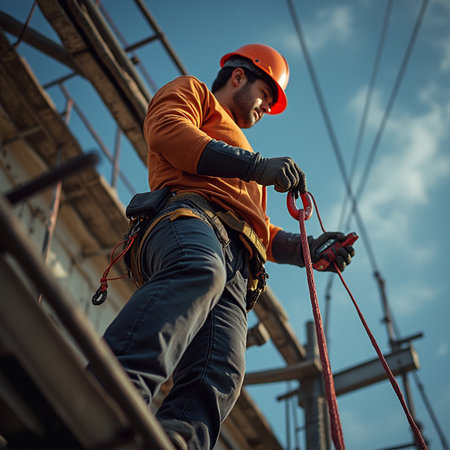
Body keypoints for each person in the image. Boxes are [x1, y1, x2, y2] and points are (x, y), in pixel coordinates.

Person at [102, 44, 355, 449]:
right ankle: (108, 395)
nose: (265, 108)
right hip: (189, 222)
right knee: (199, 270)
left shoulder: (247, 166)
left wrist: (308, 248)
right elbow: (168, 131)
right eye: (265, 95)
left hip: (240, 267)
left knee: (223, 368)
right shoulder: (195, 94)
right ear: (239, 76)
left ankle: (173, 442)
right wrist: (254, 167)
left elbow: (261, 233)